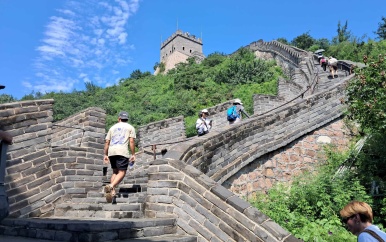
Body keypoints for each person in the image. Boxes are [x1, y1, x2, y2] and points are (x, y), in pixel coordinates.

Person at [103, 111, 136, 203]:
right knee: (122, 172)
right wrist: (133, 154)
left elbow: (107, 142)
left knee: (115, 172)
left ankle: (112, 193)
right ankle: (111, 186)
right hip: (122, 151)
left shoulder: (112, 128)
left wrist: (105, 154)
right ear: (127, 119)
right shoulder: (130, 127)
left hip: (111, 152)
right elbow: (132, 141)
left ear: (119, 118)